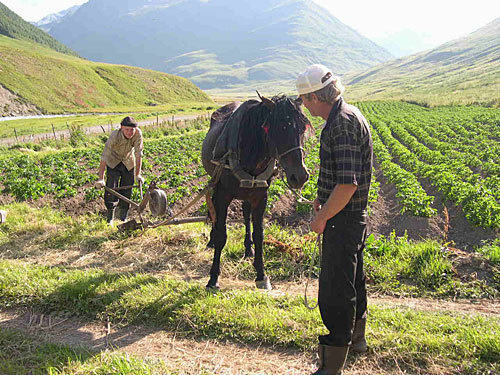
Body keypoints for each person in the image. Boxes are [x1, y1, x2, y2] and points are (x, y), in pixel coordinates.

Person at [296, 64, 373, 375]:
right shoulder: (349, 114)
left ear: (316, 97)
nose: (303, 106)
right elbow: (340, 177)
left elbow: (347, 184)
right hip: (351, 215)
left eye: (304, 99)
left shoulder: (340, 124)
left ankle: (331, 365)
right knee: (352, 280)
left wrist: (322, 217)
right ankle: (357, 341)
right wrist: (321, 197)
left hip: (343, 219)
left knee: (334, 291)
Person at [95, 116, 144, 224]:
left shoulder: (138, 134)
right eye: (127, 129)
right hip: (114, 160)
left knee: (128, 187)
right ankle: (110, 218)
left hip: (128, 161)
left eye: (132, 130)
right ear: (122, 128)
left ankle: (123, 218)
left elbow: (138, 154)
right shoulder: (115, 135)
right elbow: (105, 155)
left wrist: (138, 174)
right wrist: (100, 178)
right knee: (111, 188)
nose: (130, 132)